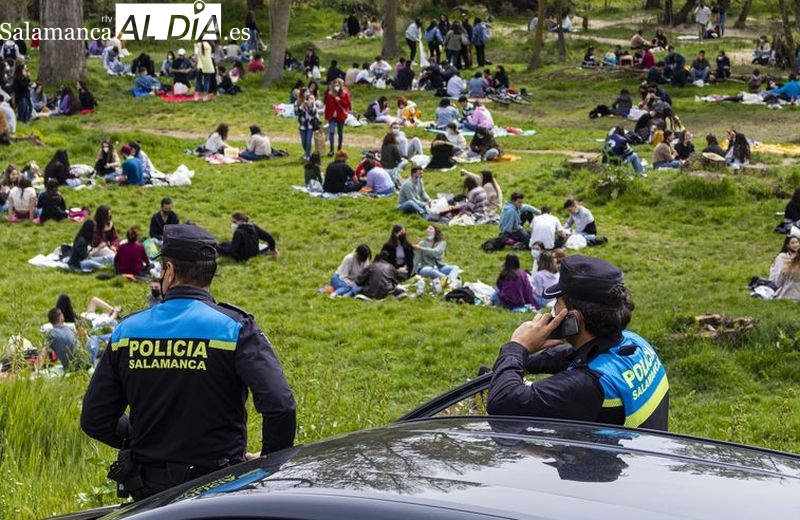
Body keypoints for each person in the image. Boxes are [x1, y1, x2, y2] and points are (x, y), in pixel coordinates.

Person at [81, 224, 296, 500]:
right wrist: (268, 464)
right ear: (210, 274)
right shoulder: (235, 327)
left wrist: (138, 438)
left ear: (169, 271)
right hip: (220, 488)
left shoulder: (127, 331)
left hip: (149, 494)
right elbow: (280, 404)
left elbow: (95, 417)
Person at [487, 255, 669, 430]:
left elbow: (503, 402)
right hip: (637, 457)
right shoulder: (634, 343)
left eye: (557, 302)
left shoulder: (585, 385)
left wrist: (517, 347)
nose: (552, 309)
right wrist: (524, 362)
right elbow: (573, 357)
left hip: (601, 462)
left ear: (573, 318)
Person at [324, 78, 351, 157]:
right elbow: (327, 106)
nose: (336, 87)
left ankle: (339, 149)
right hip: (332, 116)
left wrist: (340, 100)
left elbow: (346, 104)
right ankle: (331, 150)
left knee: (340, 133)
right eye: (335, 85)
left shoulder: (344, 94)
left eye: (338, 85)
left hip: (340, 116)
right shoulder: (330, 95)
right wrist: (326, 117)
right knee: (331, 132)